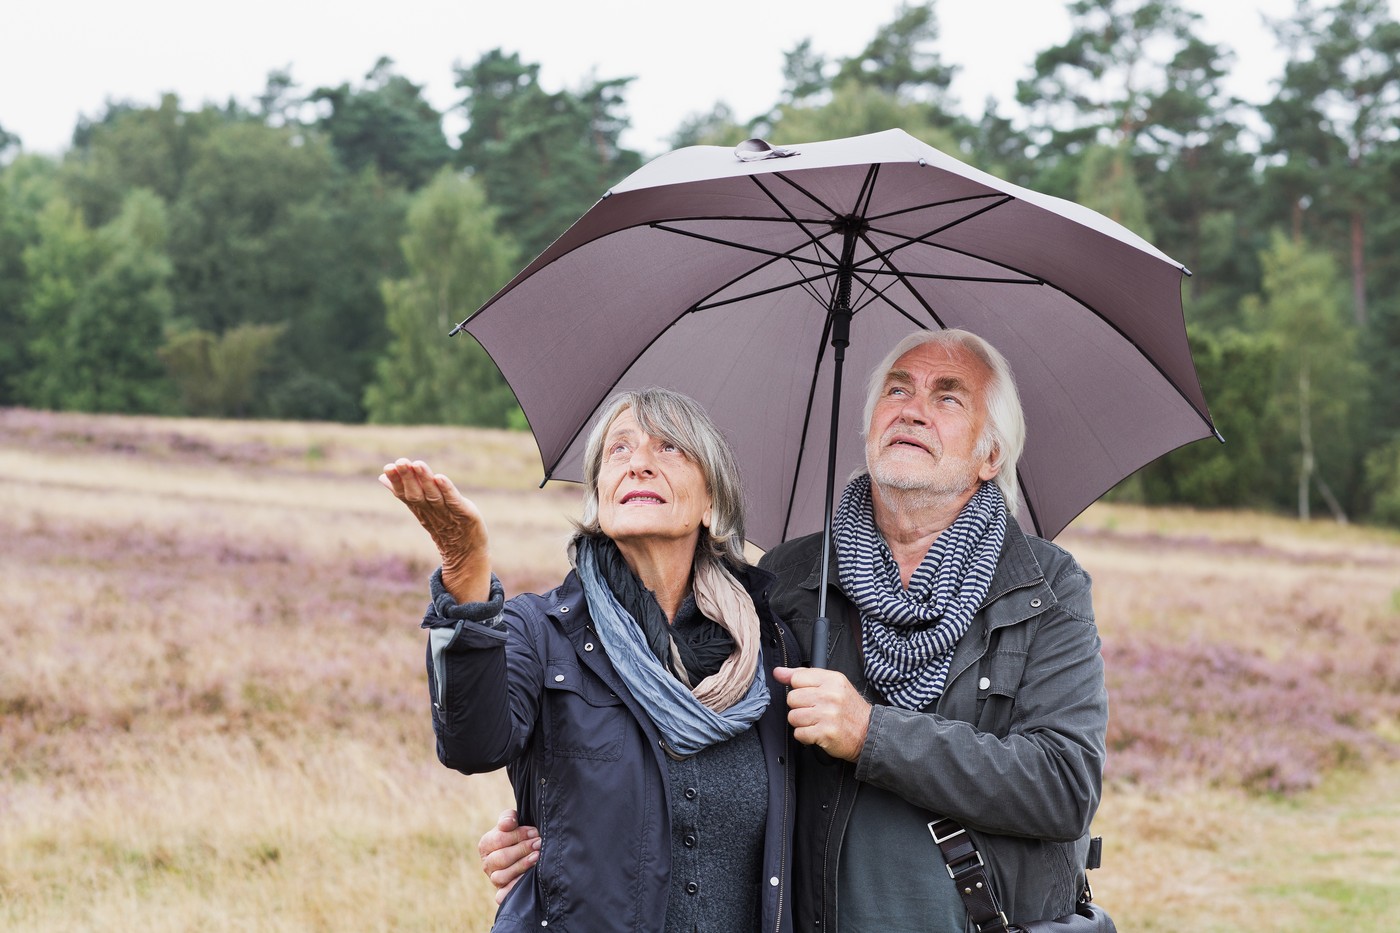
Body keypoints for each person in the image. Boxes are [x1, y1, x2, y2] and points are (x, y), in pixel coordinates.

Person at [481, 329, 1110, 931]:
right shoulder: (787, 580)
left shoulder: (1042, 587)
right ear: (869, 425)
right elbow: (692, 744)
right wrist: (564, 827)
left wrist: (872, 734)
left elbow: (1065, 784)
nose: (913, 410)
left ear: (991, 455)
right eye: (896, 390)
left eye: (947, 398)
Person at [381, 388, 799, 932]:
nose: (638, 463)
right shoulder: (540, 630)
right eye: (618, 449)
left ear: (711, 502)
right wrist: (466, 580)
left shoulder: (771, 650)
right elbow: (471, 744)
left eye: (669, 447)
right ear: (599, 495)